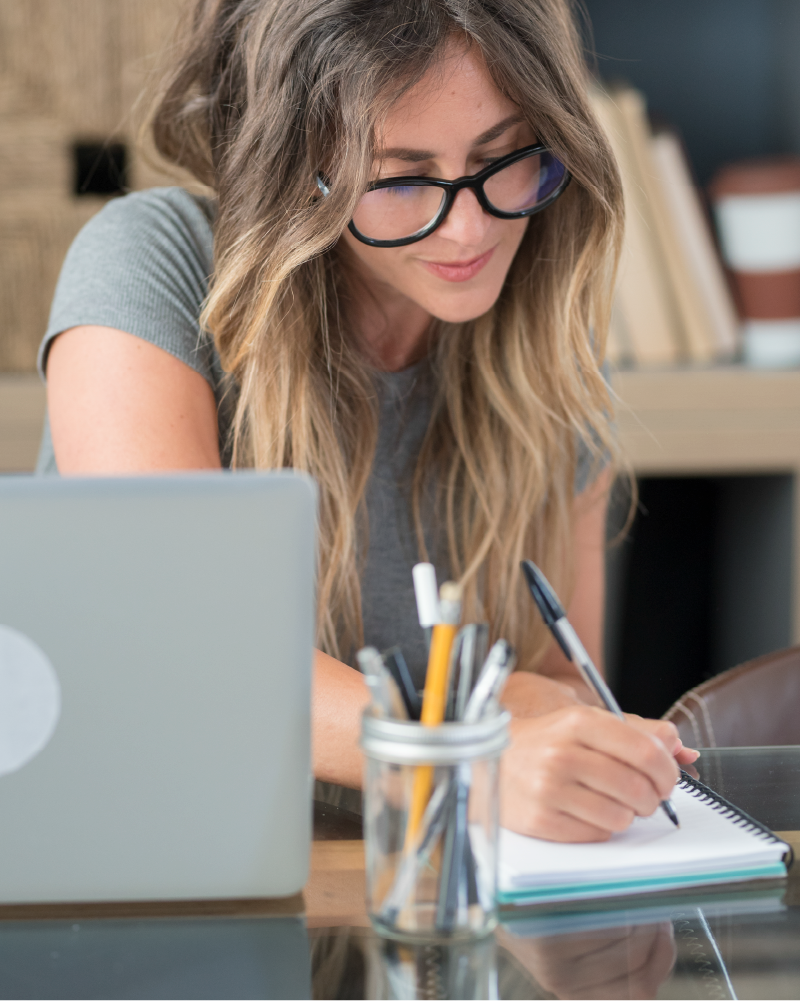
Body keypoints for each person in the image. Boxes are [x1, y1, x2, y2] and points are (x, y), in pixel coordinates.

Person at [40, 0, 696, 842]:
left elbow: (561, 679)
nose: (471, 225)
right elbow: (177, 642)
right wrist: (470, 756)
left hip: (418, 905)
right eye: (402, 179)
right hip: (152, 880)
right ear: (298, 169)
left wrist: (546, 711)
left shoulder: (548, 335)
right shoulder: (152, 264)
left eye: (504, 158)